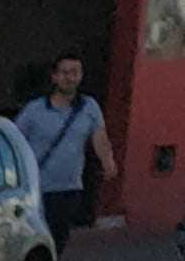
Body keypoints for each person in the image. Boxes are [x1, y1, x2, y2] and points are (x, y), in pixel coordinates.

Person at [15, 55, 115, 248]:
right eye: (64, 73)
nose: (69, 78)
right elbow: (16, 140)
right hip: (37, 188)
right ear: (54, 77)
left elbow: (99, 137)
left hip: (70, 189)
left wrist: (108, 161)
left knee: (58, 239)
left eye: (74, 73)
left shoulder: (89, 107)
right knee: (34, 240)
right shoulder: (34, 110)